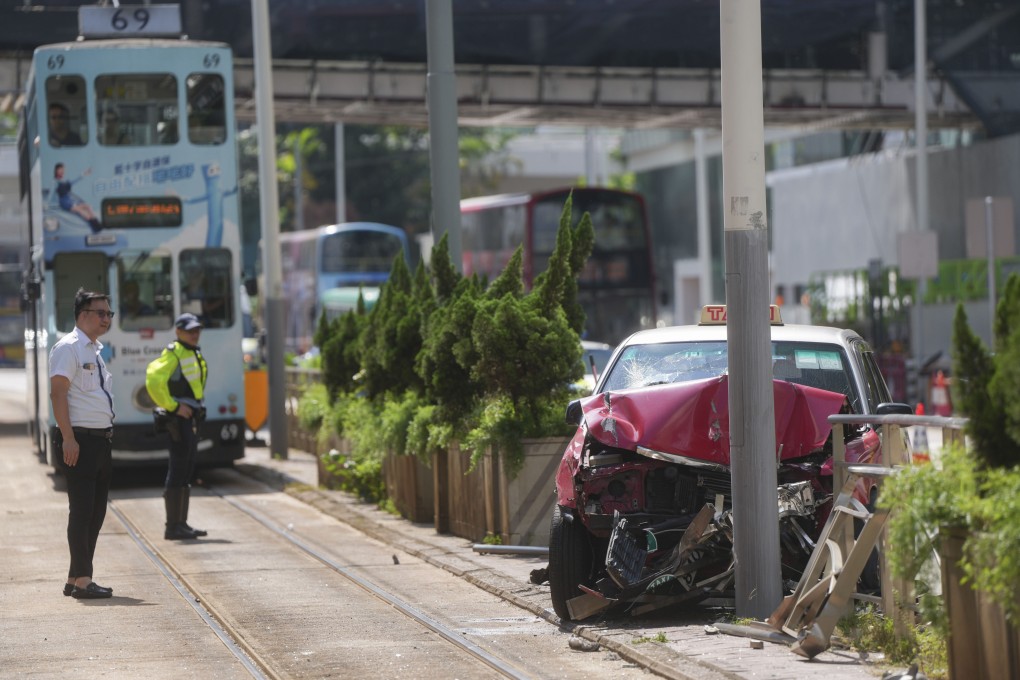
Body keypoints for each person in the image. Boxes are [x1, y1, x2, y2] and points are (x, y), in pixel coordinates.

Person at [49, 288, 115, 599]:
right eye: (101, 312)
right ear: (82, 315)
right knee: (83, 511)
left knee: (96, 513)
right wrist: (69, 438)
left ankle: (75, 576)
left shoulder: (95, 351)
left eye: (108, 313)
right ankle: (84, 581)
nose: (106, 318)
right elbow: (58, 394)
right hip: (80, 441)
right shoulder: (69, 348)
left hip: (100, 442)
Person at [145, 313, 208, 540]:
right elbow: (153, 380)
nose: (194, 334)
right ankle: (172, 527)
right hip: (178, 420)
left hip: (190, 418)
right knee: (179, 467)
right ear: (178, 331)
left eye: (197, 330)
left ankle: (181, 524)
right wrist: (172, 407)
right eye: (190, 330)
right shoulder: (175, 352)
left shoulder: (191, 351)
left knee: (186, 468)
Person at [54, 163, 102, 233]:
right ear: (56, 170)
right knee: (81, 211)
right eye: (60, 169)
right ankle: (95, 226)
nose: (62, 171)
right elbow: (54, 196)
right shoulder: (55, 182)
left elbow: (74, 181)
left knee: (88, 206)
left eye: (63, 169)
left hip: (70, 201)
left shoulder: (64, 181)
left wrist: (84, 174)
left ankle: (96, 224)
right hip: (65, 203)